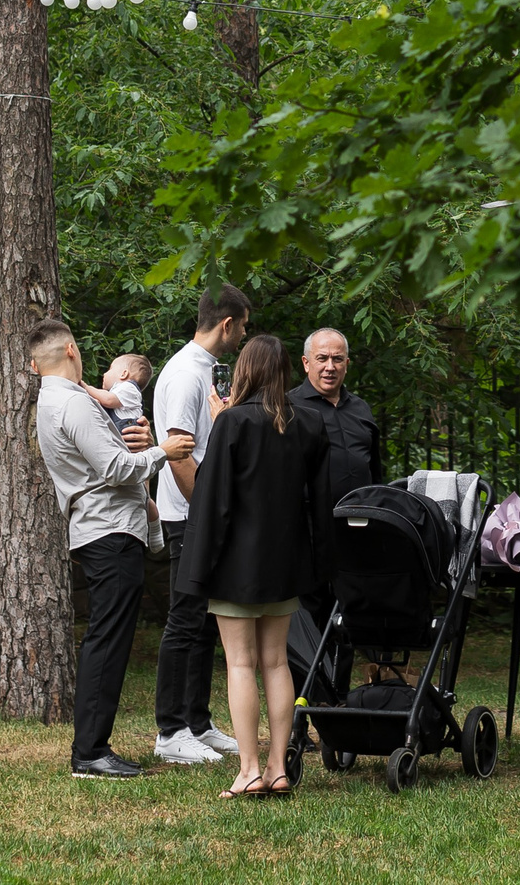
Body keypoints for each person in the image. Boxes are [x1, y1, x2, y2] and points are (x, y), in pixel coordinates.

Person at [28, 319, 194, 779]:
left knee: (107, 637)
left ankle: (92, 747)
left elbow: (111, 457)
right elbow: (117, 469)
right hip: (109, 529)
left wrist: (142, 444)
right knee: (107, 640)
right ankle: (90, 752)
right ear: (72, 350)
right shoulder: (72, 403)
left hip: (101, 526)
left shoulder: (59, 400)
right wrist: (164, 451)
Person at [176, 332, 334, 798]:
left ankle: (248, 770)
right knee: (277, 662)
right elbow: (319, 501)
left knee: (241, 663)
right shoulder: (309, 423)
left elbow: (213, 498)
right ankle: (278, 767)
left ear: (245, 370)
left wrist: (197, 568)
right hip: (285, 563)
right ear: (286, 371)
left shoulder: (233, 422)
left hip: (236, 567)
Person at [153, 286, 253, 766]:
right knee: (184, 620)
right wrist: (207, 512)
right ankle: (170, 731)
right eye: (244, 326)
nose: (244, 336)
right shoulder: (184, 374)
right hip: (188, 515)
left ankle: (197, 722)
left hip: (203, 514)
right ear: (227, 324)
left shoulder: (204, 370)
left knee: (205, 623)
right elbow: (178, 454)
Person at [285, 326, 382, 691]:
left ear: (347, 364)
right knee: (308, 624)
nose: (330, 367)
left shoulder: (361, 409)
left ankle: (337, 704)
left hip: (357, 536)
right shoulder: (289, 407)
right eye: (322, 359)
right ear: (306, 363)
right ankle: (307, 705)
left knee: (347, 621)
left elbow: (375, 472)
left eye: (337, 359)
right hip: (307, 535)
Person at [87, 352, 152, 435]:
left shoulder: (129, 388)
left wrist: (86, 387)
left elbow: (108, 400)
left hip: (127, 435)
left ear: (124, 374)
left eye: (110, 369)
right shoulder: (118, 393)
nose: (104, 374)